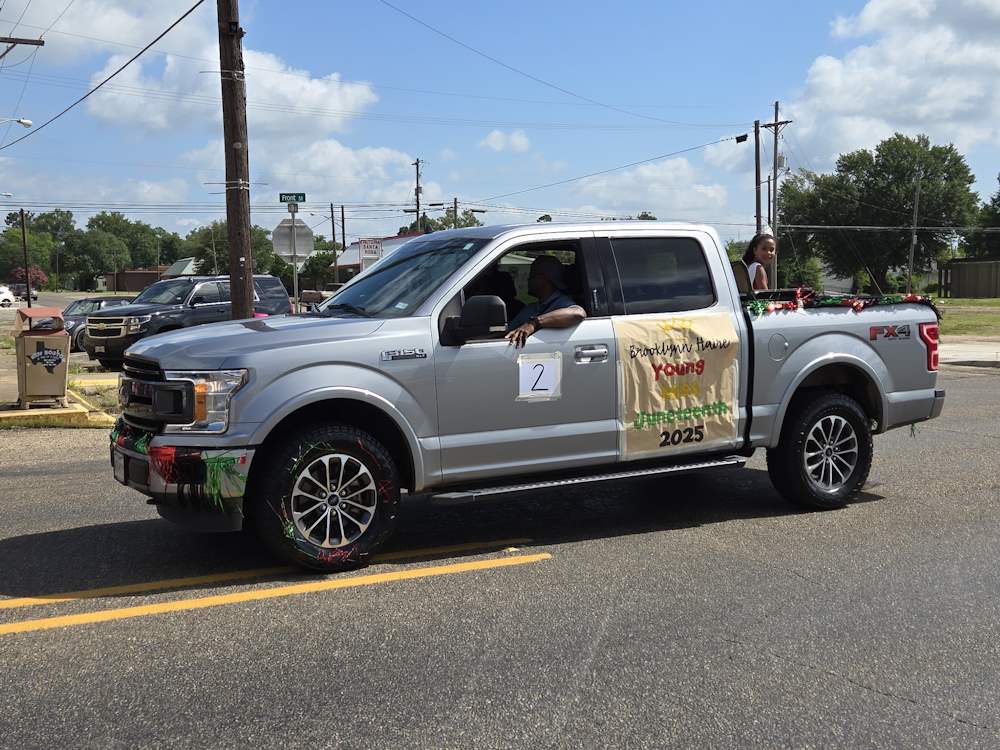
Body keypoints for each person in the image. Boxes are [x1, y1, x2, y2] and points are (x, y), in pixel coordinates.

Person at [505, 255, 586, 348]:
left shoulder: (562, 303)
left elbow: (578, 313)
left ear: (543, 278)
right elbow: (507, 332)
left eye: (532, 275)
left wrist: (534, 323)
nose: (528, 279)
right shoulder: (530, 309)